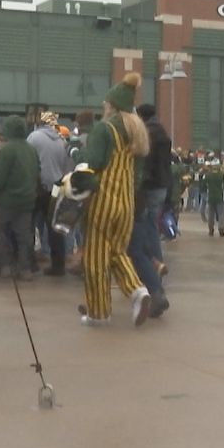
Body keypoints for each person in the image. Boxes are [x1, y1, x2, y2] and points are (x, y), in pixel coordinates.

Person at [77, 73, 153, 327]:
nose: (103, 106)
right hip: (126, 202)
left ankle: (99, 313)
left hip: (103, 201)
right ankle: (138, 291)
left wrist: (80, 181)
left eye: (105, 103)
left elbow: (93, 164)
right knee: (117, 252)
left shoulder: (104, 128)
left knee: (96, 258)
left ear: (112, 105)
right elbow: (138, 175)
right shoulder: (137, 132)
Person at [126, 103, 171, 317]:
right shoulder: (163, 132)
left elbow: (144, 164)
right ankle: (157, 266)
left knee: (141, 232)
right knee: (151, 227)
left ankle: (152, 269)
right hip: (161, 186)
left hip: (147, 188)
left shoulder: (146, 134)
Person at [0, 115, 39, 283]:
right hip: (27, 200)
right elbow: (37, 172)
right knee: (24, 236)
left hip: (6, 201)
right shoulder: (30, 149)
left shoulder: (6, 149)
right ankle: (25, 269)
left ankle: (5, 268)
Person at [27, 111, 75, 276]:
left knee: (29, 225)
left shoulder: (34, 137)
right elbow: (65, 165)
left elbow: (29, 160)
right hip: (56, 188)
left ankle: (30, 263)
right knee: (54, 228)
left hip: (37, 186)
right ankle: (58, 265)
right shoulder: (62, 141)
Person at [205, 162, 224, 237]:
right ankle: (221, 229)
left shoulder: (207, 175)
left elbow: (203, 184)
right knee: (221, 214)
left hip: (210, 196)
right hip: (220, 197)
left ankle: (211, 229)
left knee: (210, 214)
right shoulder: (223, 175)